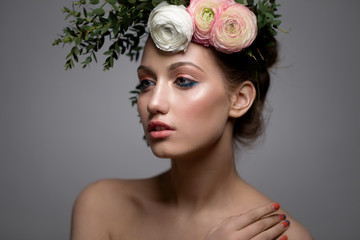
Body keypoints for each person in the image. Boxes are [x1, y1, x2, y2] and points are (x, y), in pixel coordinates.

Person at [60, 1, 312, 239]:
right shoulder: (102, 206)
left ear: (240, 99)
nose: (154, 103)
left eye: (183, 81)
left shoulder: (277, 234)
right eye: (147, 83)